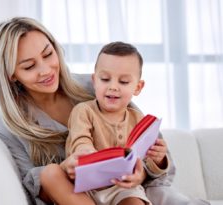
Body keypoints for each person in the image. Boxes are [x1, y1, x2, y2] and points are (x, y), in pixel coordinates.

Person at [0, 16, 209, 205]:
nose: (46, 70)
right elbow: (29, 188)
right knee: (49, 173)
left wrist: (139, 172)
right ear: (11, 74)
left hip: (126, 189)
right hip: (76, 196)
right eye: (29, 66)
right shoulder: (6, 120)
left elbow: (150, 155)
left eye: (48, 54)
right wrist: (65, 167)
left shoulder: (98, 86)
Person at [63, 42, 169, 205]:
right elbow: (80, 140)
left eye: (124, 82)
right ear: (94, 80)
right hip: (88, 187)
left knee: (134, 201)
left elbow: (146, 164)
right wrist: (87, 153)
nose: (113, 87)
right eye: (105, 79)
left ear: (138, 87)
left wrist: (158, 159)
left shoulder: (138, 118)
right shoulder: (84, 110)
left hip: (123, 187)